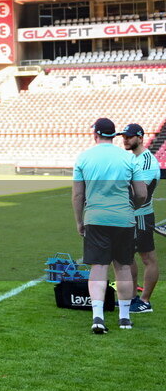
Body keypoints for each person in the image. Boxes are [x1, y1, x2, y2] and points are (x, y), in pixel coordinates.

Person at [72, 118, 146, 333]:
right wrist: (131, 208)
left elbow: (78, 194)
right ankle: (124, 318)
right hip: (123, 218)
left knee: (98, 267)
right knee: (123, 266)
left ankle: (98, 317)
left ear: (95, 134)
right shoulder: (128, 158)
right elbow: (141, 193)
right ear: (113, 135)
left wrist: (79, 220)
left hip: (95, 218)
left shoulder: (84, 157)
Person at [120, 123, 158, 313]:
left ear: (140, 138)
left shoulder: (146, 161)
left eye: (129, 136)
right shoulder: (130, 158)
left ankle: (145, 301)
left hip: (141, 215)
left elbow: (140, 193)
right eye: (124, 136)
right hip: (128, 215)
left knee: (147, 258)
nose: (125, 139)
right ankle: (133, 296)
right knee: (127, 257)